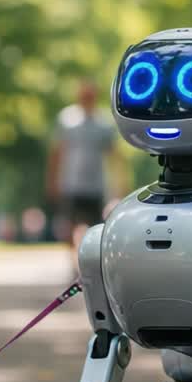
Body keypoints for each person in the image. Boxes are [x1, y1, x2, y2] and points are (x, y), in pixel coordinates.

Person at [47, 81, 117, 264]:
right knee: (69, 225)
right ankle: (73, 261)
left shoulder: (105, 123)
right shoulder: (66, 119)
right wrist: (52, 180)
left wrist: (118, 184)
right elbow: (56, 152)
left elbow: (113, 155)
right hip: (71, 183)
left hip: (96, 184)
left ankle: (92, 262)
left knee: (95, 227)